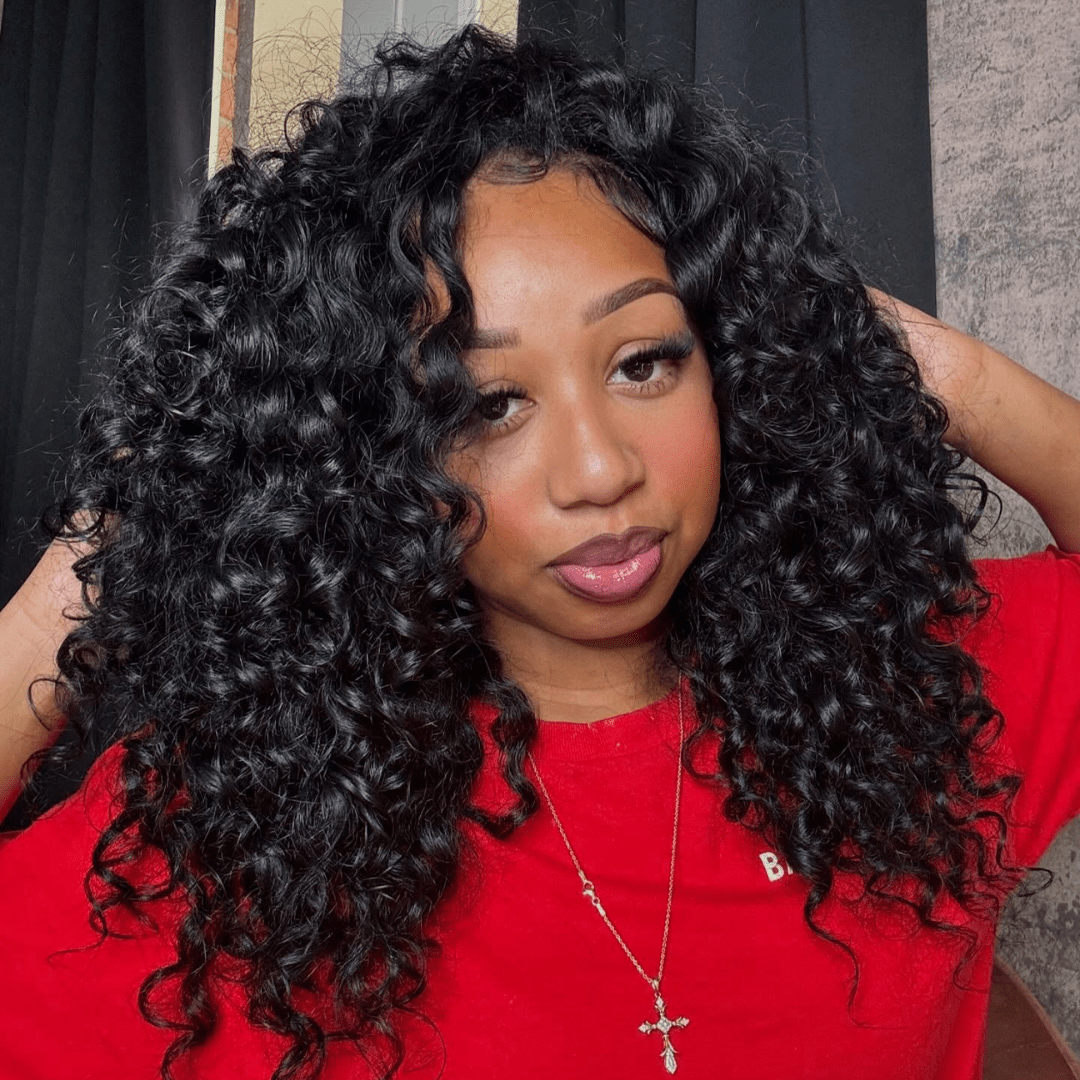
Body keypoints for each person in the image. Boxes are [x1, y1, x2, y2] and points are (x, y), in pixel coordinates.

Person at [1, 25, 1078, 1080]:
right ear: (365, 456)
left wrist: (906, 361)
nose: (600, 471)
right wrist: (140, 517)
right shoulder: (247, 837)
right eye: (488, 403)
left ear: (735, 363)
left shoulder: (907, 700)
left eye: (645, 362)